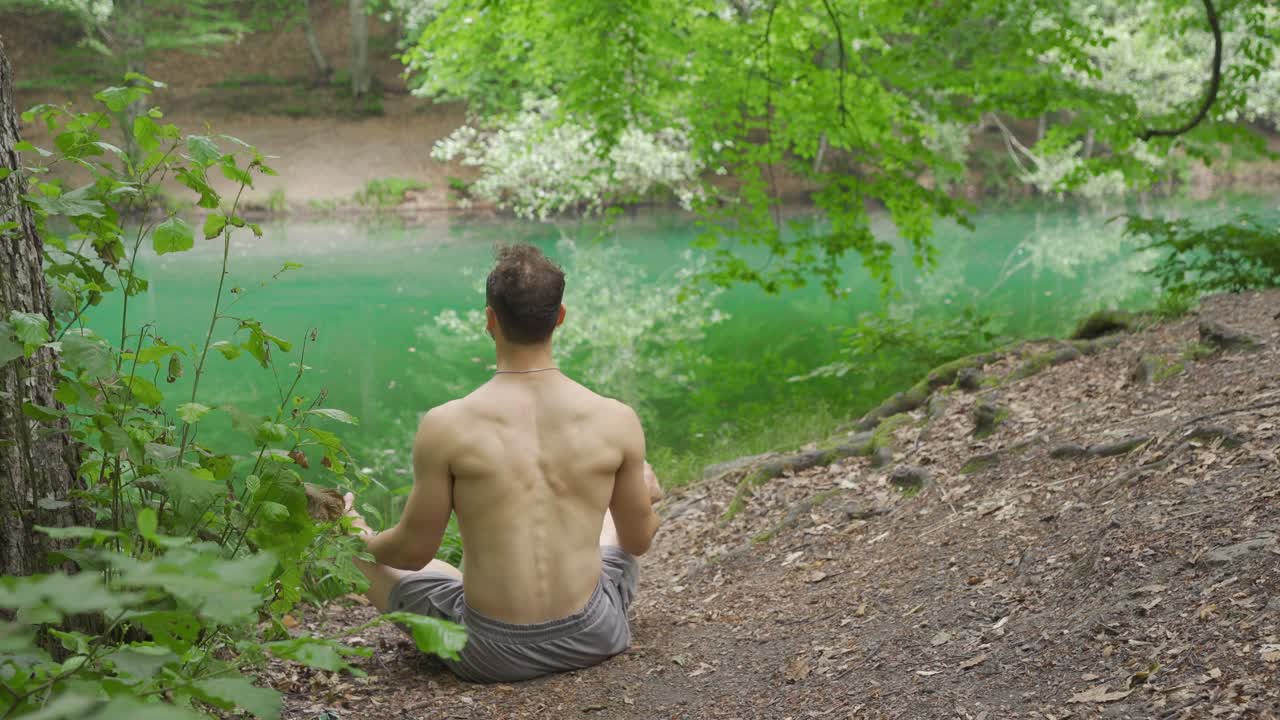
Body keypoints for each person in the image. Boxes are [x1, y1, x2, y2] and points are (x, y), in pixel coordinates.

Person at [343, 243, 664, 684]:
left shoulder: (446, 426)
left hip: (490, 653)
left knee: (378, 559)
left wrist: (361, 538)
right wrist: (644, 497)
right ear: (561, 317)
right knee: (623, 508)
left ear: (490, 320)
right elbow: (638, 540)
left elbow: (413, 552)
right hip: (595, 634)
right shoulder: (616, 418)